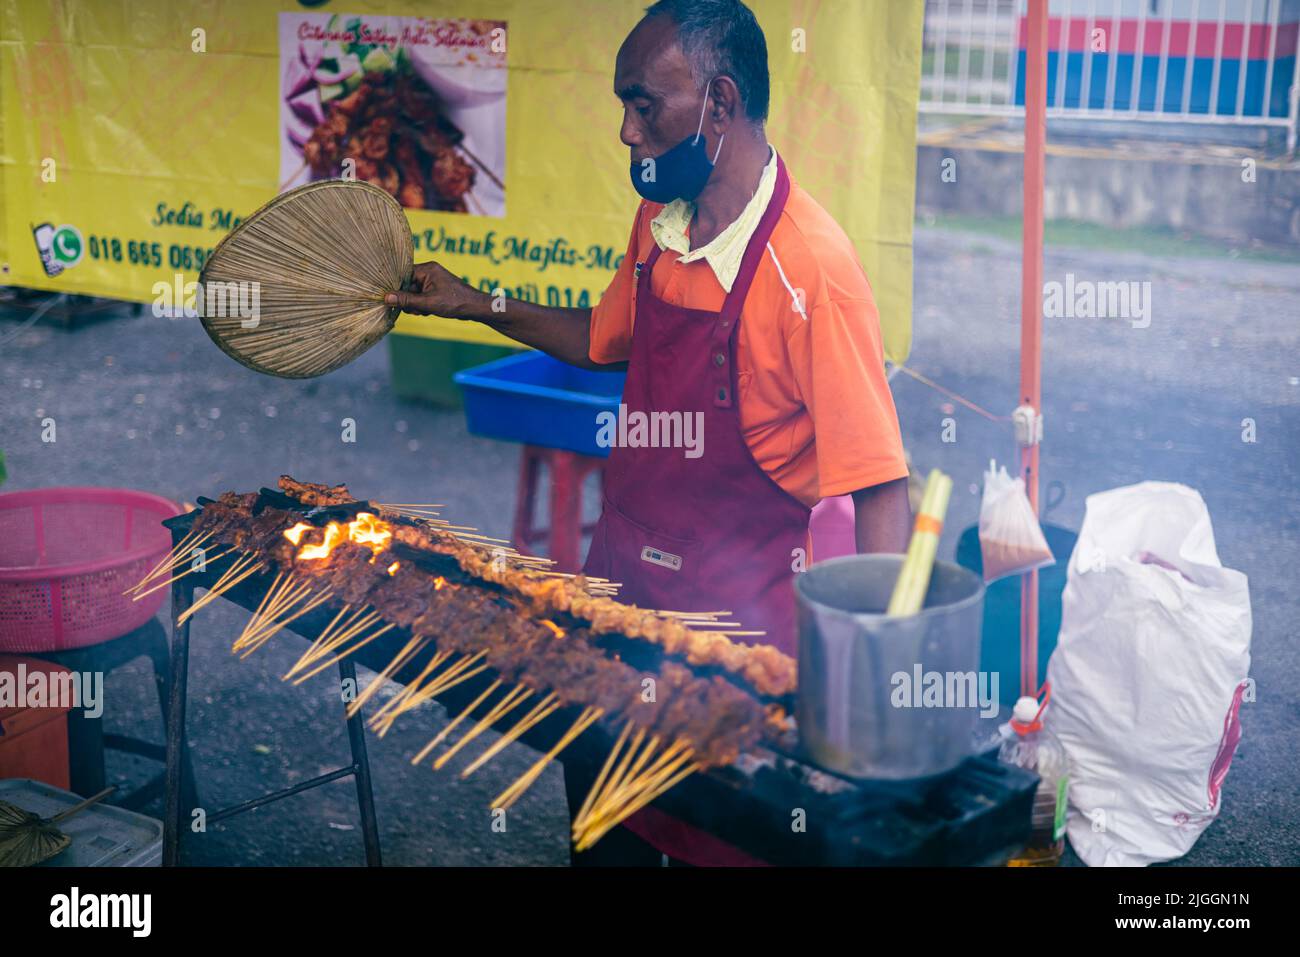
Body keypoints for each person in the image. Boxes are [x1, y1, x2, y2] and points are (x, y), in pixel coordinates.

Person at [386, 0, 911, 866]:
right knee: (604, 830)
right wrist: (474, 303)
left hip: (736, 645)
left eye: (645, 105)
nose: (627, 132)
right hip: (618, 597)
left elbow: (881, 483)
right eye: (623, 106)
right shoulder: (661, 219)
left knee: (719, 841)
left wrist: (875, 674)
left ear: (721, 100)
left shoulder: (814, 269)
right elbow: (603, 339)